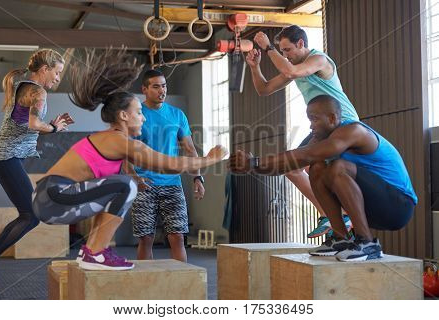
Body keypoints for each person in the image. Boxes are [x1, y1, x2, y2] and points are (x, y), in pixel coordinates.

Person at [31, 48, 227, 271]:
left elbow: (173, 162)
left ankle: (93, 250)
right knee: (125, 186)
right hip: (53, 198)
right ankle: (94, 253)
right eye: (138, 113)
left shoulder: (115, 139)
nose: (143, 117)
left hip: (51, 199)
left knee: (120, 187)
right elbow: (171, 164)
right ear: (124, 116)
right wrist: (211, 158)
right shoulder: (119, 141)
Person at [229, 95, 417, 261]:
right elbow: (289, 165)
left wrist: (254, 162)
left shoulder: (354, 131)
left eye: (314, 119)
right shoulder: (320, 138)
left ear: (333, 118)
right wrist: (251, 168)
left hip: (399, 206)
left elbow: (306, 154)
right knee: (317, 168)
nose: (311, 125)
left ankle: (367, 243)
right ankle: (341, 238)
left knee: (337, 167)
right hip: (373, 207)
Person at [246, 25, 358, 238]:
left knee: (309, 170)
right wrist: (254, 67)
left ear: (301, 44)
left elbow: (290, 71)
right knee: (293, 170)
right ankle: (333, 219)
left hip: (344, 123)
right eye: (282, 50)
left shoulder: (319, 61)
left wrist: (269, 47)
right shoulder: (295, 67)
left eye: (287, 50)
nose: (285, 55)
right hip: (322, 127)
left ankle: (341, 219)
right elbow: (264, 89)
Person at [0, 49, 74, 288]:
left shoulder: (26, 86)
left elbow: (25, 123)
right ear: (44, 70)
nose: (58, 78)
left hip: (7, 157)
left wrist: (52, 125)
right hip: (6, 157)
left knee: (29, 214)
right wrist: (54, 129)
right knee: (31, 215)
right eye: (56, 73)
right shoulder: (37, 91)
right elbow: (33, 123)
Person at [125, 69, 204, 263]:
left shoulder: (177, 115)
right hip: (145, 185)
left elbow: (190, 150)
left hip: (172, 184)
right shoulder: (136, 115)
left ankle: (183, 287)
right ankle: (146, 288)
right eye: (156, 86)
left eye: (164, 85)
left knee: (177, 237)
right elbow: (123, 154)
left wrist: (197, 177)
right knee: (146, 239)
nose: (162, 90)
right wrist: (135, 179)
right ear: (144, 89)